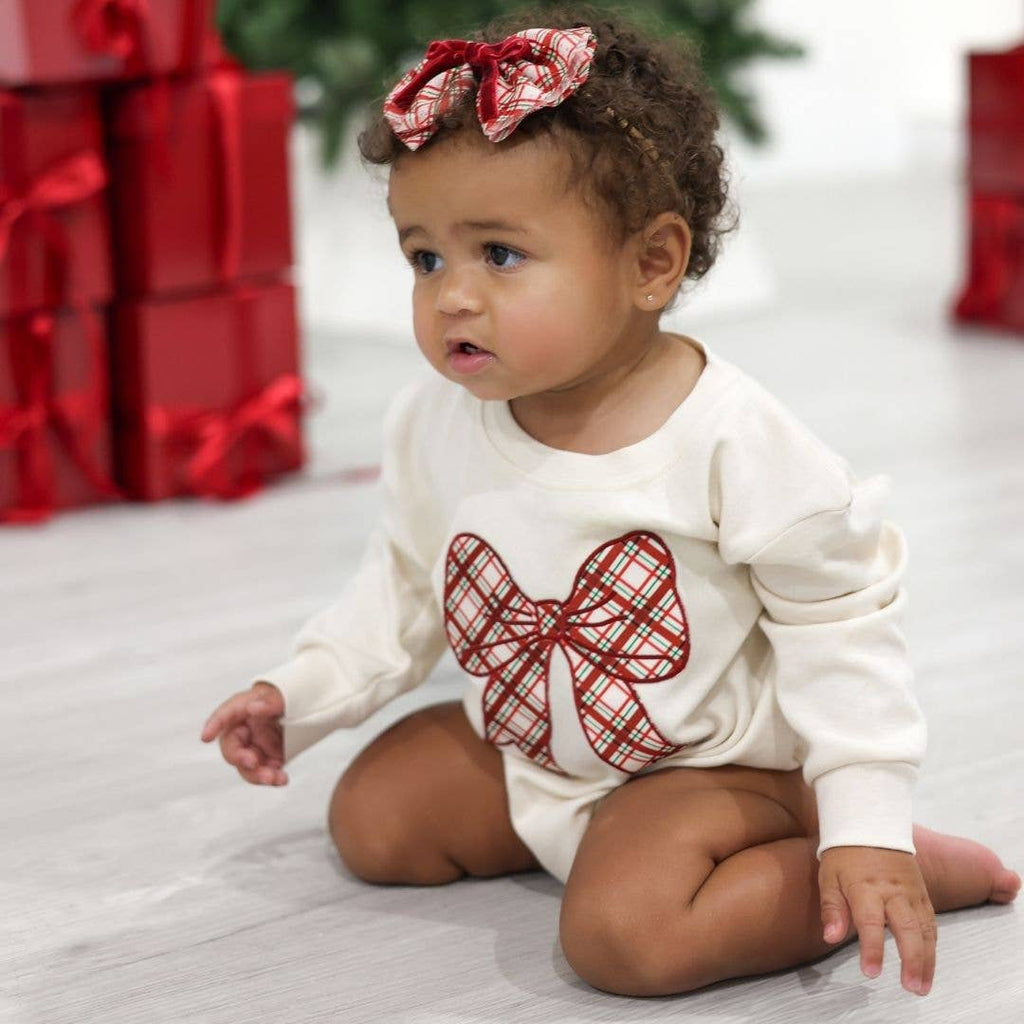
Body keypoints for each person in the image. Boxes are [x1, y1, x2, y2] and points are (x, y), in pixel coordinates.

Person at [201, 3, 1020, 999]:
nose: (452, 293)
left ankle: (875, 863)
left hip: (713, 773)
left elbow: (841, 632)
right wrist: (300, 696)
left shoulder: (730, 437)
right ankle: (603, 843)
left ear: (650, 264)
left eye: (498, 254)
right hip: (540, 747)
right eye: (425, 257)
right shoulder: (440, 419)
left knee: (626, 939)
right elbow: (408, 584)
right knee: (375, 818)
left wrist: (868, 817)